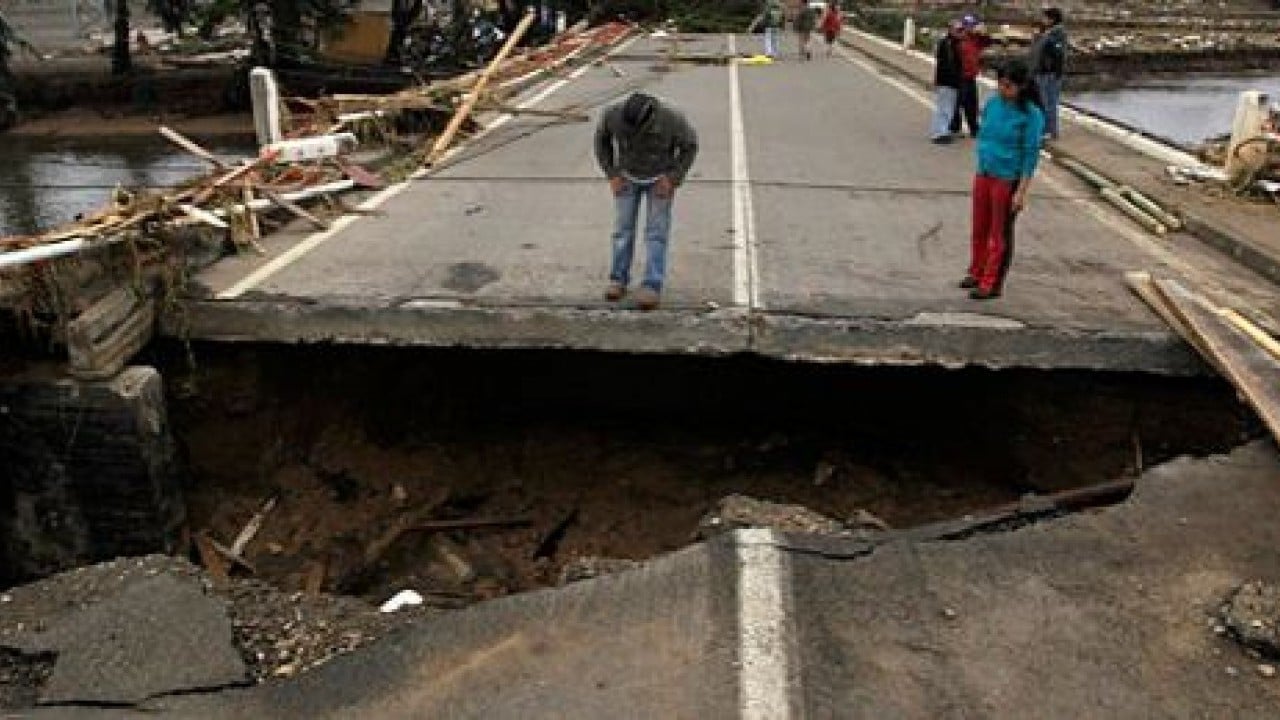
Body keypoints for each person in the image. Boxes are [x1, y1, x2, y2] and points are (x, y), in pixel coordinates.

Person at [594, 92, 700, 311]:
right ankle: (618, 280)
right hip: (626, 177)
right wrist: (612, 173)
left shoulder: (672, 119)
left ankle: (652, 285)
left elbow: (690, 146)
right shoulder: (612, 114)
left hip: (658, 180)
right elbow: (601, 141)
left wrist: (672, 178)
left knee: (656, 234)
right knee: (622, 231)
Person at [962, 59, 1043, 300]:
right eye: (1000, 84)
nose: (1003, 90)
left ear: (1021, 87)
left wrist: (1021, 190)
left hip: (1008, 178)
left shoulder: (1031, 115)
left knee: (999, 233)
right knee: (979, 227)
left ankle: (991, 282)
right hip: (985, 172)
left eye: (1008, 86)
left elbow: (1031, 153)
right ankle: (976, 270)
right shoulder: (993, 104)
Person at [950, 15, 993, 138]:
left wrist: (983, 33)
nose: (970, 27)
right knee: (957, 103)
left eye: (972, 25)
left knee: (972, 104)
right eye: (968, 25)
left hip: (971, 76)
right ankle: (955, 127)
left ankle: (974, 128)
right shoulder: (958, 39)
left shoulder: (976, 39)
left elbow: (988, 42)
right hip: (960, 76)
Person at [1028, 7, 1067, 140]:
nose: (1042, 20)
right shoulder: (1047, 33)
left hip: (1050, 73)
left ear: (1052, 19)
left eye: (1045, 18)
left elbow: (1058, 53)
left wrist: (1044, 39)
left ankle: (1050, 131)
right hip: (1042, 72)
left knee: (1049, 103)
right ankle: (1045, 129)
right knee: (1043, 102)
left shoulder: (1057, 33)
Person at [931, 20, 964, 144]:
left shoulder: (954, 43)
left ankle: (943, 131)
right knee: (944, 108)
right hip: (947, 81)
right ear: (951, 30)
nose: (960, 32)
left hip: (950, 81)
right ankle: (939, 133)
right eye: (958, 30)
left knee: (947, 108)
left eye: (961, 30)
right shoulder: (948, 44)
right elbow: (945, 65)